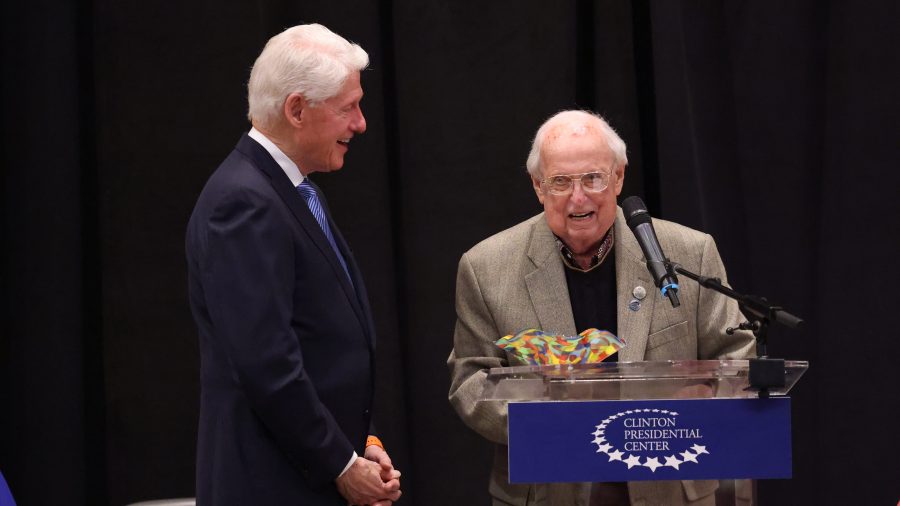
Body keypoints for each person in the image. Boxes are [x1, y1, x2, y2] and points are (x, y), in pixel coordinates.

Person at [447, 110, 755, 506]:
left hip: (670, 483)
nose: (579, 197)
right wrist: (552, 424)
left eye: (593, 178)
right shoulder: (486, 267)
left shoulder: (687, 253)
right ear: (538, 186)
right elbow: (469, 381)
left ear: (619, 177)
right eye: (560, 182)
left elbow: (737, 353)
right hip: (547, 487)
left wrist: (693, 406)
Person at [186, 24, 400, 506]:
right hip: (273, 486)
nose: (362, 123)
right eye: (349, 107)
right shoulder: (244, 203)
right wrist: (342, 466)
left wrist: (365, 441)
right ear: (297, 109)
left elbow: (323, 347)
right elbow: (268, 365)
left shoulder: (292, 191)